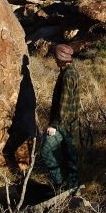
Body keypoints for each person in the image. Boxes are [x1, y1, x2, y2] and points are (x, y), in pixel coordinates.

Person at [39, 44, 81, 190]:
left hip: (64, 124)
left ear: (61, 58)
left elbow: (64, 103)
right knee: (70, 157)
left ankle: (59, 185)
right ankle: (72, 188)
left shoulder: (68, 75)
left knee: (45, 151)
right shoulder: (69, 72)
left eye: (56, 57)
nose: (55, 60)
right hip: (70, 123)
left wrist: (54, 125)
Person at [2, 55, 38, 176]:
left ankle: (20, 176)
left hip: (24, 126)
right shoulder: (26, 79)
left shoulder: (24, 80)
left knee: (10, 151)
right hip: (26, 125)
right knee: (16, 151)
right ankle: (21, 175)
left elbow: (26, 106)